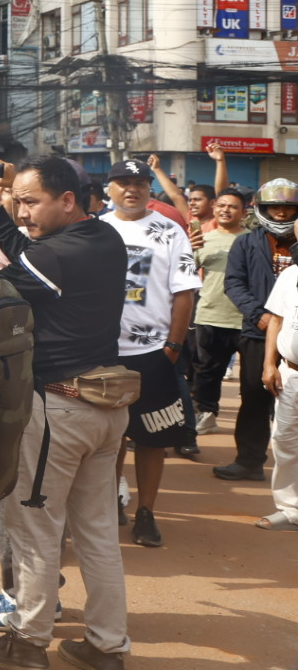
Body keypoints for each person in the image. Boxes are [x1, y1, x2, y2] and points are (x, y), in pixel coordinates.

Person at [0, 157, 131, 670]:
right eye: (18, 199)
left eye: (30, 200)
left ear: (67, 200)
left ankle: (27, 642)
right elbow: (34, 254)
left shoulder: (58, 257)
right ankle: (106, 645)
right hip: (103, 407)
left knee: (34, 528)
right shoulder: (103, 237)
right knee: (98, 533)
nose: (22, 210)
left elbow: (4, 280)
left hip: (60, 408)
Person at [99, 159, 200, 548]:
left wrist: (172, 348)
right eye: (123, 182)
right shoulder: (95, 230)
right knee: (109, 438)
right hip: (104, 352)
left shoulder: (170, 231)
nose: (132, 189)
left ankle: (147, 512)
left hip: (154, 352)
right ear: (108, 188)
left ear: (149, 188)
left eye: (140, 182)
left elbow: (185, 292)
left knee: (152, 438)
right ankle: (110, 506)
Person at [217, 178, 298, 481]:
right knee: (254, 397)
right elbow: (234, 283)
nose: (280, 213)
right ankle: (249, 461)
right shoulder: (246, 243)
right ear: (263, 209)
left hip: (295, 335)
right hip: (257, 334)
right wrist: (259, 315)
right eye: (274, 206)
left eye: (288, 207)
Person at [191, 189, 249, 436]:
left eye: (233, 206)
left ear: (243, 212)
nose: (226, 210)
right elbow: (185, 274)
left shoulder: (253, 240)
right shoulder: (202, 239)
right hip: (210, 314)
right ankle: (207, 414)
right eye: (222, 205)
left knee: (252, 377)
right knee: (207, 371)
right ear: (214, 209)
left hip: (247, 318)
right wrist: (189, 250)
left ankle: (253, 422)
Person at [260, 254, 298, 530]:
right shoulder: (290, 274)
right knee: (284, 441)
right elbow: (275, 321)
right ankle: (290, 509)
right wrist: (269, 364)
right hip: (290, 372)